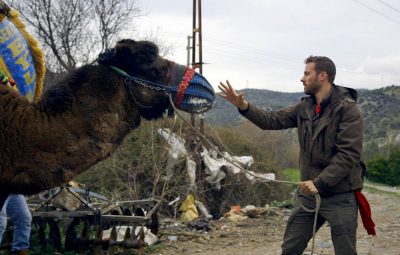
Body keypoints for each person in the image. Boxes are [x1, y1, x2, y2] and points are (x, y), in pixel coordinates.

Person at [219, 56, 374, 255]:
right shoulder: (304, 107)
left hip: (340, 195)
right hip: (308, 195)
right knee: (290, 249)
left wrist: (320, 182)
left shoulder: (347, 109)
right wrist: (243, 106)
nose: (302, 78)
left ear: (323, 76)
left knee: (346, 251)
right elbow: (271, 120)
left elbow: (348, 155)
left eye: (307, 73)